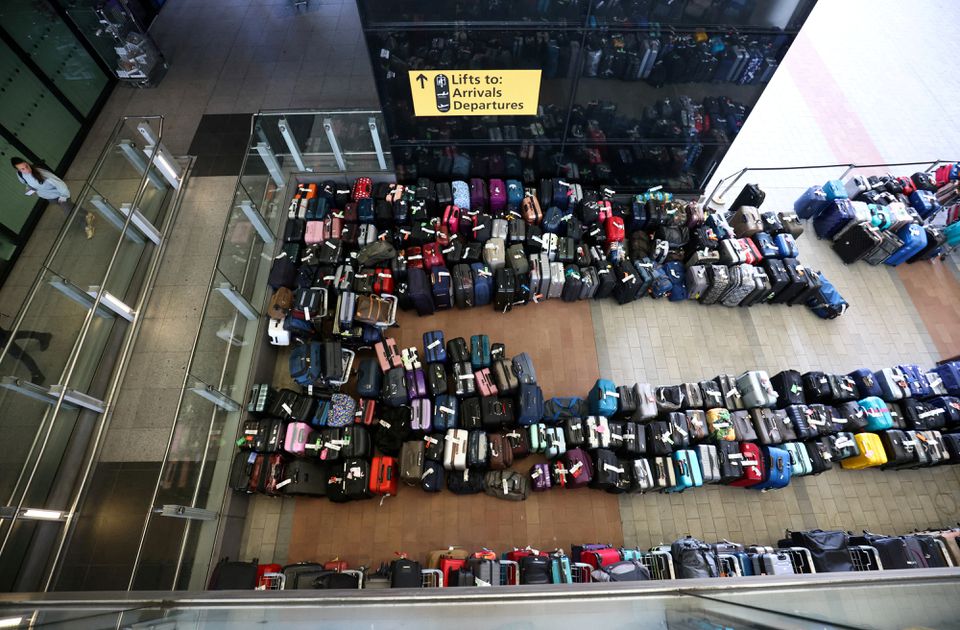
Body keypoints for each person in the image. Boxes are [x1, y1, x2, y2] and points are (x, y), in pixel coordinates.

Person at [11, 157, 95, 239]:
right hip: (49, 197)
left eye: (26, 166)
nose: (27, 169)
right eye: (22, 169)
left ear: (27, 163)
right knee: (70, 207)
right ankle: (88, 214)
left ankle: (87, 227)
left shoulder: (42, 173)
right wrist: (29, 190)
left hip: (60, 195)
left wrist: (63, 197)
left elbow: (60, 184)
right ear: (18, 170)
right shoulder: (20, 175)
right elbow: (27, 184)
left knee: (69, 213)